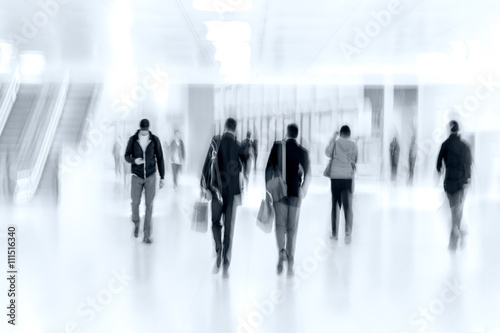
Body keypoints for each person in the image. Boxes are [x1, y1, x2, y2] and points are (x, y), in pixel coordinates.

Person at [201, 118, 244, 277]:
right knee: (228, 226)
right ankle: (226, 261)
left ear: (225, 127)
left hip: (216, 191)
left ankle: (218, 248)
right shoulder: (238, 145)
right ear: (235, 129)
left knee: (215, 222)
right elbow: (241, 169)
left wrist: (204, 186)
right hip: (231, 193)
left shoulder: (215, 141)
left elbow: (208, 163)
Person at [265, 123, 311, 276]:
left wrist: (268, 190)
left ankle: (281, 252)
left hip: (279, 192)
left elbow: (268, 169)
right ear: (296, 135)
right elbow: (308, 175)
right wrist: (302, 189)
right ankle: (290, 261)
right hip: (295, 194)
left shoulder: (277, 146)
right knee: (292, 229)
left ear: (287, 132)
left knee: (279, 225)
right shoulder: (303, 152)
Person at [124, 119, 165, 244]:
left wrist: (162, 177)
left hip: (151, 176)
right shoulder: (133, 140)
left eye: (145, 131)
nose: (143, 132)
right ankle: (136, 223)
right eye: (142, 131)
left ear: (148, 129)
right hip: (136, 176)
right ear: (140, 128)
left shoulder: (154, 140)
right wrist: (134, 160)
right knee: (135, 203)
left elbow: (160, 158)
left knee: (149, 206)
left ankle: (147, 235)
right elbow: (126, 156)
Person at [436, 120, 472, 251]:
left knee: (454, 209)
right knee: (457, 209)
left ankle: (462, 231)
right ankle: (454, 239)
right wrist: (467, 179)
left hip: (451, 182)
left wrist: (440, 172)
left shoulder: (446, 145)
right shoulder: (465, 146)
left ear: (449, 129)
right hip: (464, 182)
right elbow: (469, 164)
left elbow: (438, 164)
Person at [325, 126, 358, 244]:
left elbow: (327, 153)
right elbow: (355, 160)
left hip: (335, 178)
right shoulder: (354, 145)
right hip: (347, 178)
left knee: (335, 206)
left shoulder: (335, 143)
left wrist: (333, 138)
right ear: (349, 134)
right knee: (348, 206)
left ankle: (334, 234)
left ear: (341, 133)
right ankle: (348, 233)